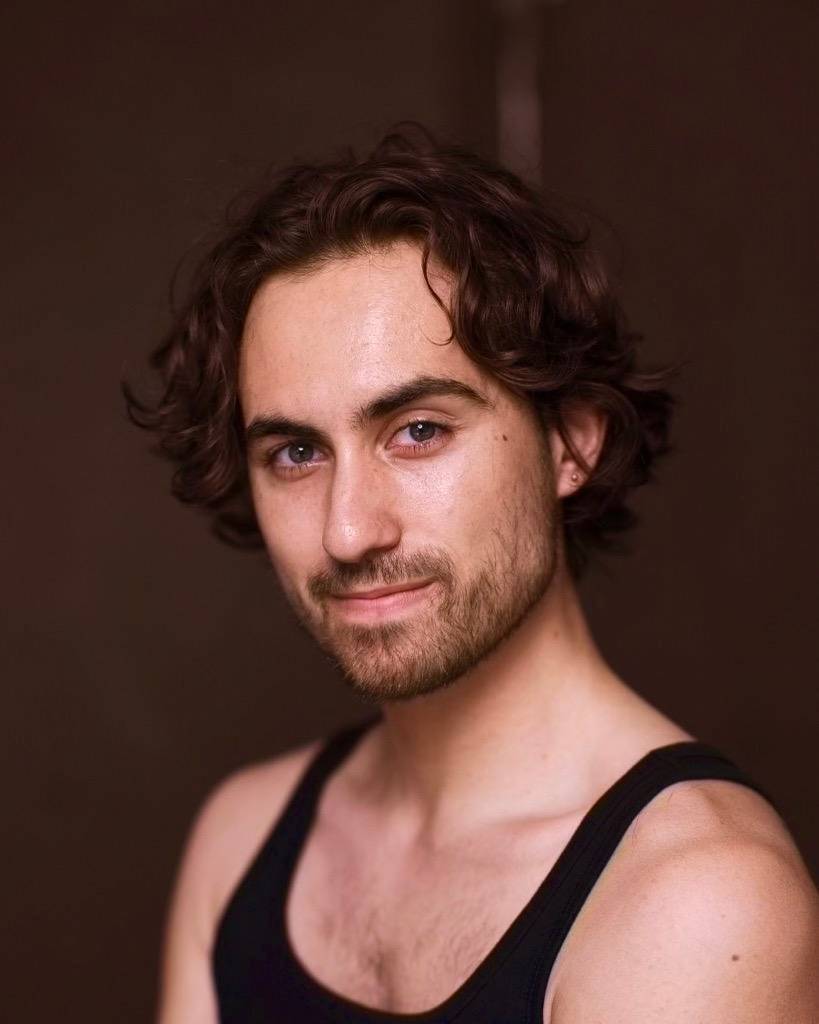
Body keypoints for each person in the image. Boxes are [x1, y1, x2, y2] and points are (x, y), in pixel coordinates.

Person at [125, 126, 818, 1023]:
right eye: (296, 452)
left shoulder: (696, 903)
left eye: (418, 431)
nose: (348, 530)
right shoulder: (241, 838)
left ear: (570, 442)